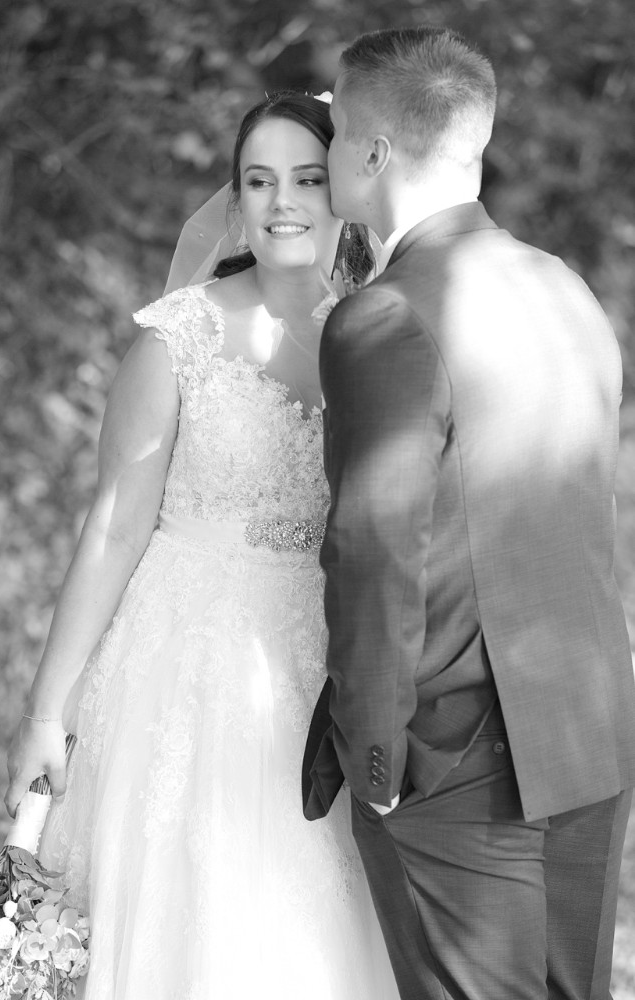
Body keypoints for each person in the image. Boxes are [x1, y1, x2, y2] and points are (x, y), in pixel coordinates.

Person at [4, 91, 399, 1000]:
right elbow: (114, 523)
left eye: (307, 178)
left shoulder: (379, 333)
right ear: (235, 198)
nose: (282, 202)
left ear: (344, 189)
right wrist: (45, 710)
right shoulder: (179, 336)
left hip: (319, 670)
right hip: (181, 669)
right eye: (258, 181)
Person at [302, 25, 635, 1000]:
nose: (329, 148)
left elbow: (373, 546)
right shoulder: (563, 287)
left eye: (337, 129)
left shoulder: (385, 314)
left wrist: (374, 753)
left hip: (456, 756)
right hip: (587, 726)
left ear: (372, 153)